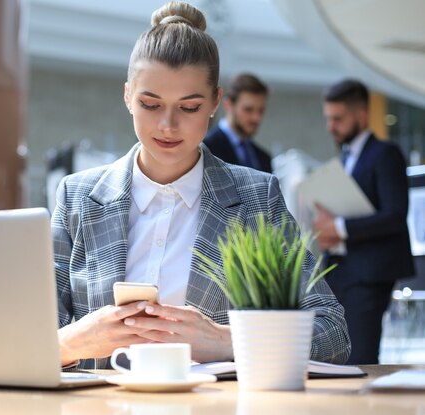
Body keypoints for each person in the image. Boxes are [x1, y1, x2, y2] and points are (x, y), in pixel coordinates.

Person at [52, 1, 350, 370]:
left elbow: (333, 333)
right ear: (128, 96)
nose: (167, 125)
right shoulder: (77, 197)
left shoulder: (257, 199)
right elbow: (25, 338)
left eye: (189, 108)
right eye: (150, 104)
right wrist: (77, 340)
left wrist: (225, 341)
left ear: (215, 103)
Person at [314, 79, 414, 364]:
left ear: (361, 115)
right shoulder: (346, 157)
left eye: (338, 119)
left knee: (360, 358)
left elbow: (395, 214)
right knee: (334, 356)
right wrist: (327, 229)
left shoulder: (385, 154)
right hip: (339, 271)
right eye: (328, 118)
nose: (331, 126)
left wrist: (341, 229)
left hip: (370, 275)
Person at [203, 73, 272, 173]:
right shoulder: (205, 148)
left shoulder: (264, 158)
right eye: (248, 109)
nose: (256, 118)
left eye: (261, 110)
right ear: (228, 105)